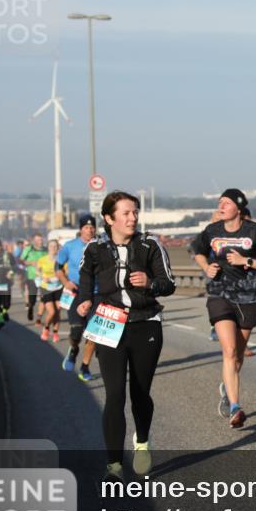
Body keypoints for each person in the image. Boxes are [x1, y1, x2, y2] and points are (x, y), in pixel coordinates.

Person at [75, 191, 176, 483]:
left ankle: (142, 441)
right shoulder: (95, 249)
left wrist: (150, 283)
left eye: (135, 212)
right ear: (109, 218)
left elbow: (169, 284)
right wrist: (84, 300)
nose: (132, 218)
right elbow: (86, 279)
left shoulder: (150, 245)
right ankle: (114, 464)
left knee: (140, 393)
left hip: (146, 323)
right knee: (115, 394)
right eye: (126, 213)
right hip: (109, 323)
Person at [191, 189, 256, 428]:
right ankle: (235, 407)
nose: (221, 206)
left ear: (238, 208)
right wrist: (206, 266)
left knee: (238, 356)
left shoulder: (254, 231)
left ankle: (226, 387)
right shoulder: (212, 230)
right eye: (219, 202)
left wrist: (246, 261)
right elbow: (196, 250)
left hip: (249, 298)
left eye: (226, 203)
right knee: (229, 351)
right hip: (219, 294)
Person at [57, 215, 99, 381]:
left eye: (92, 227)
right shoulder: (70, 246)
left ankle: (85, 367)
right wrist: (65, 282)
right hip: (76, 292)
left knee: (93, 334)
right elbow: (58, 267)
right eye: (86, 227)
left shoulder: (101, 246)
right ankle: (73, 349)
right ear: (81, 229)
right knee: (76, 331)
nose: (90, 230)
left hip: (96, 294)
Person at [35, 239, 63, 342]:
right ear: (48, 247)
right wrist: (43, 277)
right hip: (46, 287)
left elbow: (67, 272)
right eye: (51, 246)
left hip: (58, 287)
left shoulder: (61, 259)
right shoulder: (42, 259)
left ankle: (55, 332)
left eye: (55, 246)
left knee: (58, 310)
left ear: (58, 248)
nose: (53, 248)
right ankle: (46, 328)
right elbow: (37, 272)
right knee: (51, 311)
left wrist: (61, 276)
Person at [20, 234, 48, 323]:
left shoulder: (45, 249)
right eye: (38, 240)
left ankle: (39, 316)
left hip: (44, 277)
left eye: (41, 239)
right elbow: (21, 260)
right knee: (32, 297)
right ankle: (31, 307)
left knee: (44, 296)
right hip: (32, 276)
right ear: (34, 241)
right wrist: (30, 262)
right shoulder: (29, 249)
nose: (40, 241)